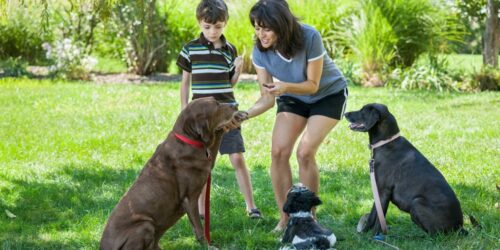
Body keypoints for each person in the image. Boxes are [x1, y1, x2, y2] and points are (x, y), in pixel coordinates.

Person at [239, 0, 348, 231]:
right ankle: (286, 218)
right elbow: (267, 97)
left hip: (328, 95)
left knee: (305, 152)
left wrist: (285, 87)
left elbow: (313, 84)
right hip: (292, 95)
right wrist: (243, 115)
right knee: (278, 152)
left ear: (282, 25)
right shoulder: (260, 50)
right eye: (257, 28)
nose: (261, 35)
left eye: (266, 28)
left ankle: (308, 219)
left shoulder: (309, 37)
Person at [176, 0, 261, 219]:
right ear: (199, 23)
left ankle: (251, 206)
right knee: (204, 164)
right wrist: (184, 110)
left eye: (218, 27)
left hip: (227, 113)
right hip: (202, 118)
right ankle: (202, 210)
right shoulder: (190, 49)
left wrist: (238, 71)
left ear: (225, 24)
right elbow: (185, 82)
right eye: (207, 27)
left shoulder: (229, 49)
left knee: (237, 158)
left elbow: (229, 83)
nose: (213, 32)